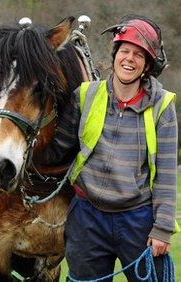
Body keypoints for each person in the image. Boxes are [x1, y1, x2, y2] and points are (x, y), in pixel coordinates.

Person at [44, 14, 178, 281]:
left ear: (147, 65)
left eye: (139, 55)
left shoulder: (163, 107)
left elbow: (165, 174)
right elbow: (57, 152)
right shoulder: (85, 95)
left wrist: (162, 229)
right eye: (125, 51)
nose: (129, 59)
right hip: (87, 216)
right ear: (115, 54)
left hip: (138, 218)